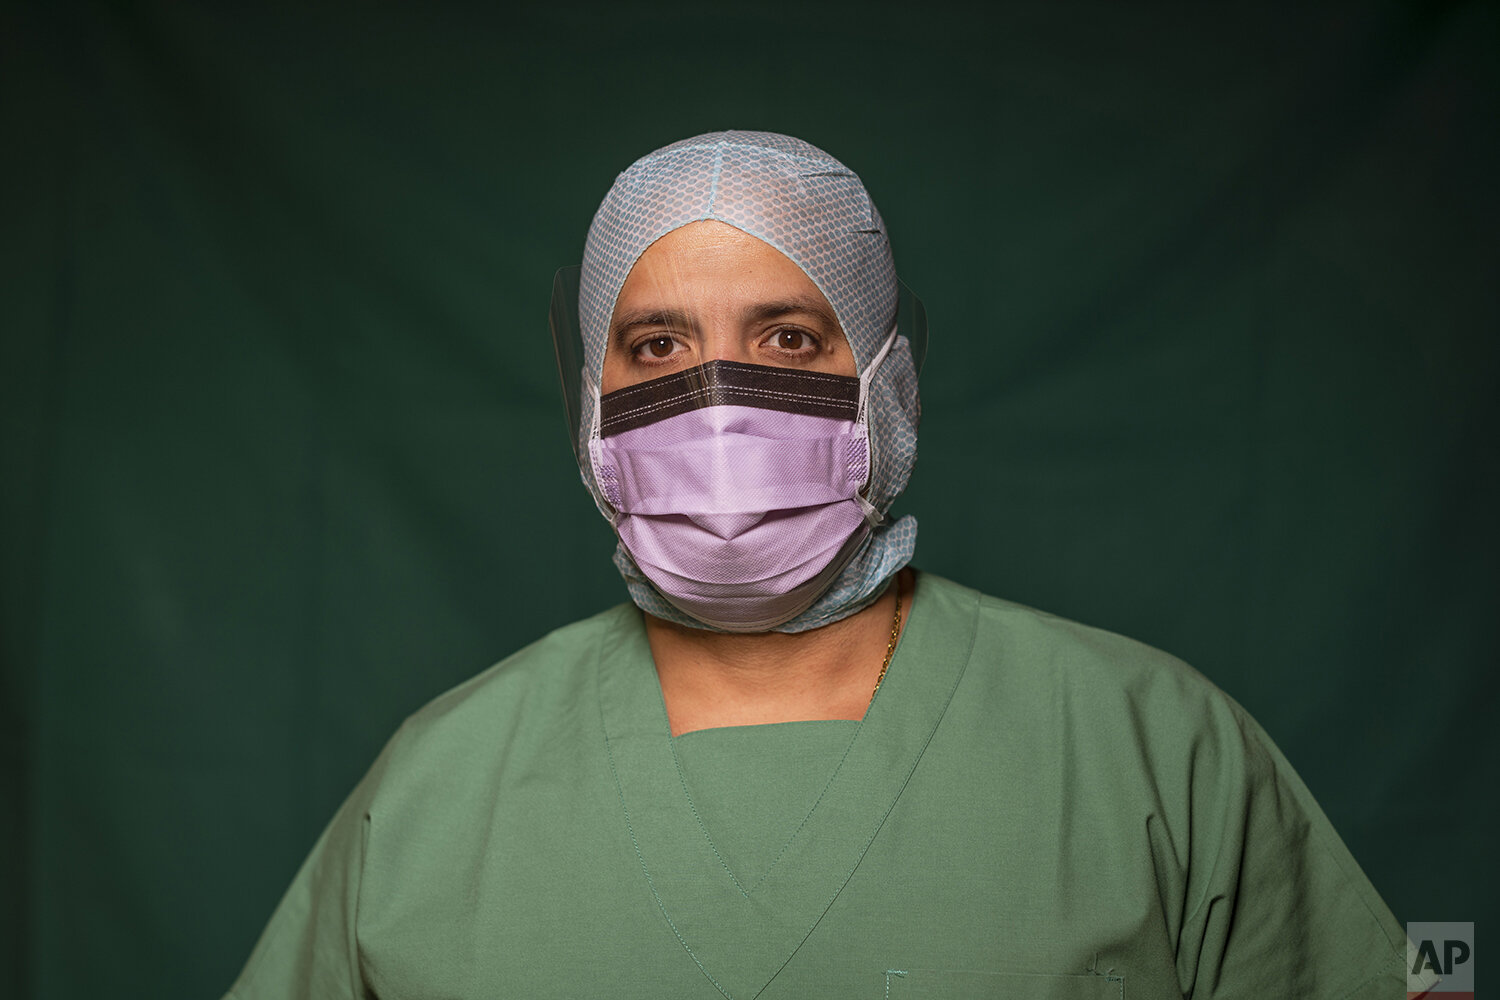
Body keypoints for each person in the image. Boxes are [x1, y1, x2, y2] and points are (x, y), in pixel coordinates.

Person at [224, 131, 1419, 999]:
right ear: (595, 414)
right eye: (657, 345)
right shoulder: (437, 789)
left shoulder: (1158, 750)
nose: (724, 399)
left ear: (885, 390)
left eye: (788, 336)